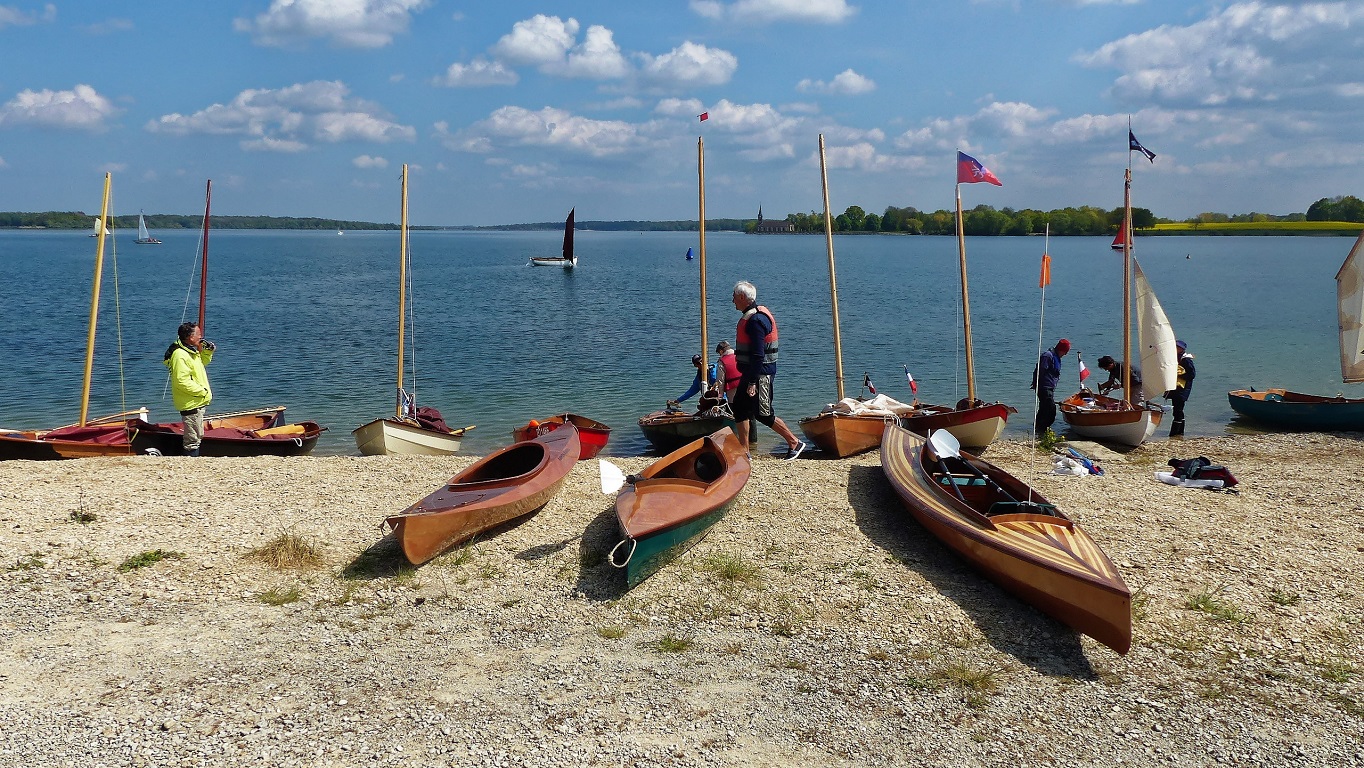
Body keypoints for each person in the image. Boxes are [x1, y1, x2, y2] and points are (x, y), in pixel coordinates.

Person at [730, 280, 806, 460]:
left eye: (734, 297)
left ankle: (794, 442)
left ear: (742, 297)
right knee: (740, 409)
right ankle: (745, 451)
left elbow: (758, 354)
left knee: (763, 413)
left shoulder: (756, 320)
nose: (732, 300)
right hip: (750, 373)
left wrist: (752, 382)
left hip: (760, 374)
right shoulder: (751, 316)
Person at [163, 321, 215, 457]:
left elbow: (201, 364)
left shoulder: (190, 351)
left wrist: (208, 352)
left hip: (195, 401)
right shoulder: (180, 355)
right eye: (198, 334)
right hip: (191, 402)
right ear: (190, 337)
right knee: (193, 438)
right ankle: (190, 462)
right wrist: (202, 391)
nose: (201, 336)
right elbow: (182, 381)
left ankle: (192, 460)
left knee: (197, 434)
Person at [1031, 338, 1068, 435]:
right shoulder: (1048, 356)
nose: (1065, 355)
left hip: (1049, 387)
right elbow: (1040, 370)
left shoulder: (1055, 356)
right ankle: (1042, 429)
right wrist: (1036, 383)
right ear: (1062, 350)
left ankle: (1038, 430)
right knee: (1050, 410)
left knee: (1044, 408)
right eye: (1065, 352)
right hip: (1044, 387)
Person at [1166, 339, 1195, 437]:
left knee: (1177, 410)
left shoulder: (1186, 360)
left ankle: (1174, 433)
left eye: (1177, 347)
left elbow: (1192, 375)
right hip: (1177, 388)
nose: (1175, 348)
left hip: (1182, 389)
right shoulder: (1177, 357)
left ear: (1181, 349)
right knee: (1178, 409)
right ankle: (1180, 432)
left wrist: (1178, 375)